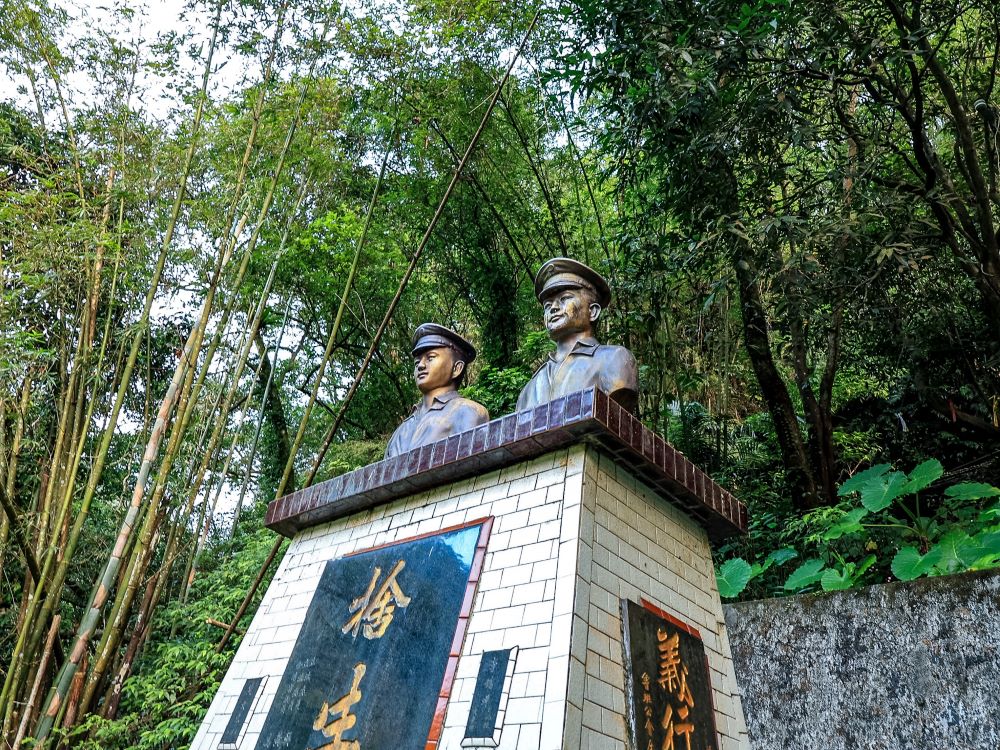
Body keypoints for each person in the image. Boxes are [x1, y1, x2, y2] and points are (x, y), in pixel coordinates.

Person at [516, 257, 639, 413]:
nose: (553, 308)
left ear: (592, 311)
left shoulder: (615, 359)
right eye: (547, 305)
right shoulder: (529, 388)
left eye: (565, 298)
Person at [385, 324, 490, 458]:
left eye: (430, 358)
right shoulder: (400, 431)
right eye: (417, 363)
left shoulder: (468, 412)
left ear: (457, 368)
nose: (421, 366)